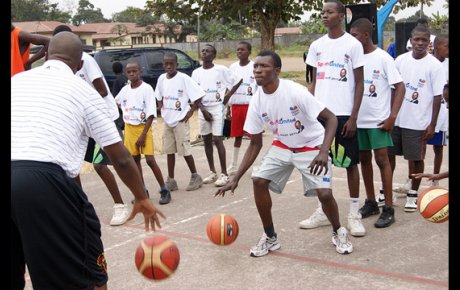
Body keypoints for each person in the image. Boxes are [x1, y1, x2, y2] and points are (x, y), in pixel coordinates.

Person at [11, 31, 165, 290]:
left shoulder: (17, 81)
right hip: (42, 180)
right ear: (80, 63)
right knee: (81, 267)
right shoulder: (82, 90)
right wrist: (141, 197)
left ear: (46, 55)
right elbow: (121, 157)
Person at [215, 50, 353, 256]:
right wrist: (236, 177)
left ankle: (338, 230)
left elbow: (331, 119)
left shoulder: (295, 91)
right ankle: (270, 237)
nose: (258, 70)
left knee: (324, 194)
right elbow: (254, 144)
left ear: (277, 70)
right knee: (259, 180)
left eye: (264, 66)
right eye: (256, 67)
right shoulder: (257, 100)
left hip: (311, 145)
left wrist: (324, 152)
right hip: (283, 145)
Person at [53, 25, 131, 226]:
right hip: (78, 119)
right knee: (72, 165)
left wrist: (80, 100)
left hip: (102, 116)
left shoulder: (85, 61)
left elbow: (103, 91)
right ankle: (79, 207)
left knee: (99, 164)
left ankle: (120, 205)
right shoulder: (53, 66)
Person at [302, 0, 366, 237]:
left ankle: (354, 213)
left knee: (350, 165)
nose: (324, 15)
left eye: (329, 12)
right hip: (321, 114)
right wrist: (307, 108)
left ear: (341, 15)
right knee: (321, 163)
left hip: (344, 115)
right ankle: (322, 210)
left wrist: (354, 117)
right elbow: (315, 81)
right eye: (322, 12)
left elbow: (360, 83)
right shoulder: (317, 45)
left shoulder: (352, 44)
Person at [350, 18, 405, 228]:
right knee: (363, 160)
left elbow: (400, 88)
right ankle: (371, 202)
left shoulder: (382, 58)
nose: (351, 39)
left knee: (382, 161)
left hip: (378, 121)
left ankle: (388, 207)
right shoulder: (353, 58)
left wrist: (392, 117)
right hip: (358, 121)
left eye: (354, 35)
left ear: (365, 35)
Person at [388, 25, 445, 212]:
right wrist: (389, 114)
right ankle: (386, 191)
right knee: (389, 156)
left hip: (418, 122)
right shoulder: (400, 61)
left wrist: (432, 124)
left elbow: (438, 97)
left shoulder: (435, 66)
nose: (420, 43)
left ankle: (413, 195)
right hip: (396, 120)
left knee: (416, 159)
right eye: (417, 39)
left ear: (429, 43)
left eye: (424, 40)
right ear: (410, 40)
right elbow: (392, 89)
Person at [115, 61, 171, 204]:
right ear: (126, 74)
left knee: (150, 160)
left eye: (134, 71)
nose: (132, 74)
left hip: (143, 128)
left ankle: (164, 190)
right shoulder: (125, 89)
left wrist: (143, 134)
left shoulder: (146, 89)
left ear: (140, 71)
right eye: (129, 72)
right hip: (129, 128)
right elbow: (116, 102)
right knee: (134, 161)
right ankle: (142, 191)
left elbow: (151, 114)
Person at [192, 44, 242, 187]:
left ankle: (224, 174)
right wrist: (202, 109)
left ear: (214, 55)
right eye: (203, 51)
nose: (204, 53)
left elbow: (238, 81)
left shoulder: (220, 70)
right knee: (206, 139)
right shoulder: (196, 72)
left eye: (208, 51)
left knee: (217, 139)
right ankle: (212, 172)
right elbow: (194, 93)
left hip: (217, 107)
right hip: (203, 109)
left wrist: (228, 96)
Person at [154, 52, 205, 192]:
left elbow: (199, 95)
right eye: (166, 64)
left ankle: (195, 176)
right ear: (163, 65)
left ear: (177, 64)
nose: (169, 66)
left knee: (185, 150)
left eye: (172, 63)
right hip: (167, 120)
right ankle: (171, 180)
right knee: (169, 151)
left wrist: (190, 111)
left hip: (180, 120)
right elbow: (158, 95)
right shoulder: (161, 79)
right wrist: (160, 106)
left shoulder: (184, 78)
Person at [226, 41, 258, 176]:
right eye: (238, 50)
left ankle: (256, 166)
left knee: (254, 138)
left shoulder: (255, 67)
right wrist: (228, 108)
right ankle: (233, 165)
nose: (240, 52)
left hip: (251, 106)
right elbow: (228, 88)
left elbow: (258, 87)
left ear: (249, 52)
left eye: (243, 50)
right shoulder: (232, 67)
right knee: (237, 136)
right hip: (237, 105)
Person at [426, 35, 449, 186]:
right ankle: (411, 180)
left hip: (442, 114)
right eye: (446, 46)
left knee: (438, 147)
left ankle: (435, 180)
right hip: (424, 112)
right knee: (416, 151)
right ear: (436, 46)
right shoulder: (427, 63)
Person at [111, 61, 128, 131]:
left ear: (113, 70)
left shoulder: (117, 81)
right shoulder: (126, 79)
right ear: (122, 69)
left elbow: (115, 98)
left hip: (120, 110)